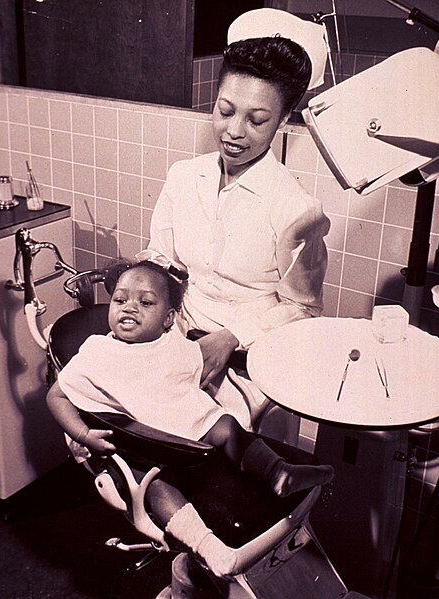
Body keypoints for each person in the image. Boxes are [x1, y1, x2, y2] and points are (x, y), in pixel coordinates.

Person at [46, 258, 334, 577]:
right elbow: (57, 395)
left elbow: (189, 375)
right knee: (154, 486)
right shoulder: (97, 351)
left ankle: (278, 472)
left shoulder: (171, 344)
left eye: (145, 302)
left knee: (227, 427)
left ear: (168, 319)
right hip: (144, 447)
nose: (129, 308)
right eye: (120, 299)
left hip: (190, 438)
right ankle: (209, 546)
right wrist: (84, 434)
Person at [147, 9, 331, 432]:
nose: (234, 131)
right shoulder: (183, 176)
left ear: (284, 120)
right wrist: (140, 281)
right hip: (176, 336)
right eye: (225, 110)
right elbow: (162, 258)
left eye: (257, 120)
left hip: (250, 359)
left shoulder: (295, 208)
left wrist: (229, 337)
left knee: (204, 436)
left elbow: (303, 308)